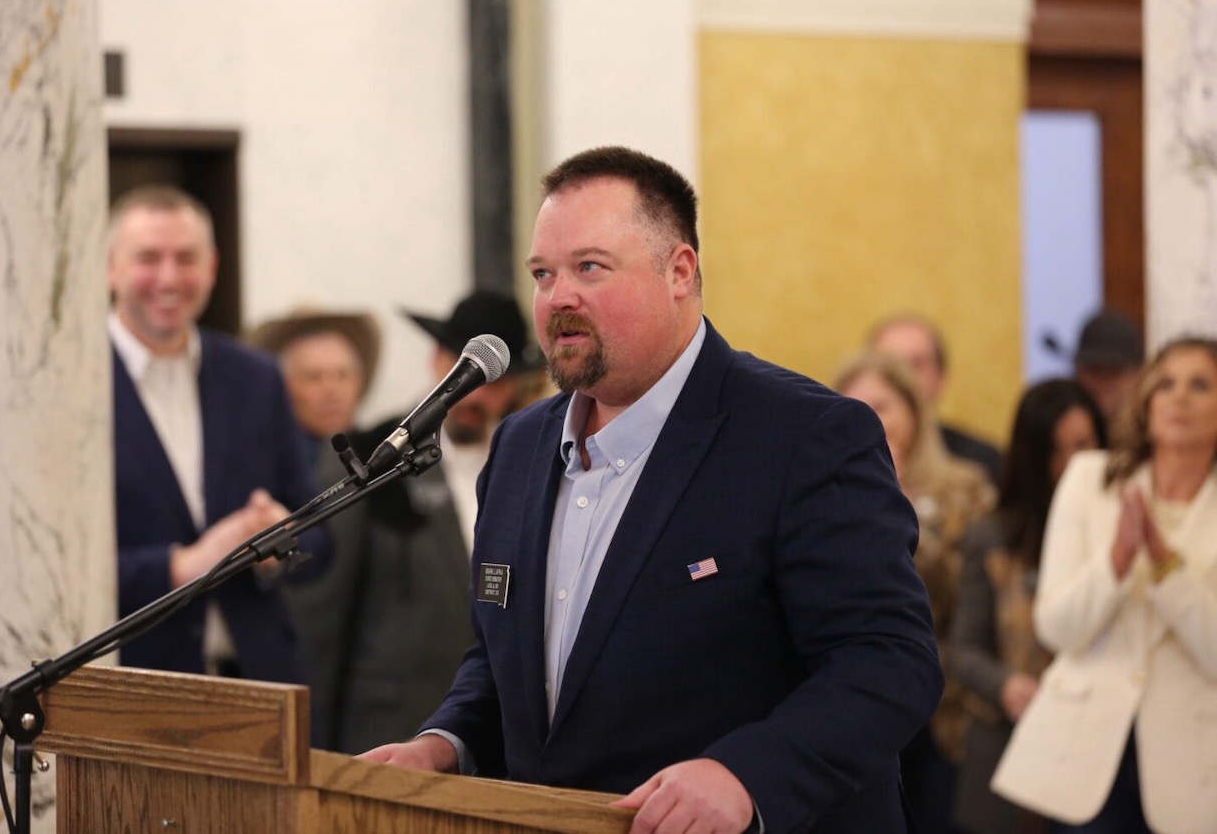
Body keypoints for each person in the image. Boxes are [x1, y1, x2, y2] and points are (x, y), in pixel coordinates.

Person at [359, 146, 943, 832]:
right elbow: (504, 661)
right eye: (543, 274)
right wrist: (445, 746)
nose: (559, 297)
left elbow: (888, 661)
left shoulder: (805, 436)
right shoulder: (517, 450)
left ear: (680, 271)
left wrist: (745, 774)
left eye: (590, 268)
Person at [992, 337, 1217, 833]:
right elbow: (1055, 627)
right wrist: (1116, 563)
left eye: (1199, 385)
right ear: (1147, 401)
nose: (1178, 397)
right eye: (1166, 384)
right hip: (1087, 755)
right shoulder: (1089, 480)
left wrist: (1164, 567)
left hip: (1196, 768)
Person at [108, 184, 328, 683]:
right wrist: (180, 565)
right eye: (148, 257)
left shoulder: (257, 376)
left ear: (211, 267)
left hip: (259, 677)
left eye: (186, 258)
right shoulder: (74, 382)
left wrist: (279, 541)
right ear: (110, 268)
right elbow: (49, 565)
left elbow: (320, 534)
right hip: (131, 685)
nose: (168, 277)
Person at [316, 289, 543, 753]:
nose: (479, 397)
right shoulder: (371, 455)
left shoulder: (534, 464)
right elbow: (324, 615)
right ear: (440, 361)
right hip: (386, 732)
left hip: (491, 742)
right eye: (468, 378)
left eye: (496, 383)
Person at [834, 352, 995, 834]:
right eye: (854, 405)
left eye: (882, 405)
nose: (869, 419)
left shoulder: (966, 490)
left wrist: (894, 508)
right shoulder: (823, 495)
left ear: (912, 412)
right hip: (856, 702)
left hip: (949, 707)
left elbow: (960, 597)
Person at [948, 379, 1106, 834]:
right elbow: (963, 650)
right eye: (1055, 452)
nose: (1072, 465)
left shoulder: (1118, 533)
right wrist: (1007, 685)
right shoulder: (992, 537)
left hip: (1094, 742)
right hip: (1008, 741)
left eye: (1083, 445)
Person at [249, 309, 381, 747]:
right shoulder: (263, 466)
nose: (331, 389)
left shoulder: (384, 462)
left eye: (343, 374)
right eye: (314, 377)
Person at [868, 314, 1004, 484]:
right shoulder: (839, 460)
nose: (903, 378)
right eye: (889, 366)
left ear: (940, 376)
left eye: (915, 364)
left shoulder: (980, 463)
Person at [1071, 308, 1144, 429]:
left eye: (1115, 372)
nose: (1104, 383)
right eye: (1095, 371)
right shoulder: (1064, 432)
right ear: (1077, 372)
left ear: (1139, 373)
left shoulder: (1158, 436)